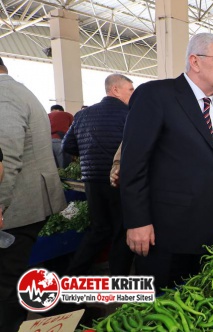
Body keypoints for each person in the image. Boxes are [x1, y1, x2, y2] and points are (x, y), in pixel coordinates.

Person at [119, 33, 213, 291]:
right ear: (195, 61)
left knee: (196, 303)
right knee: (161, 306)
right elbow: (134, 163)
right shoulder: (156, 95)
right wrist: (137, 222)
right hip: (167, 232)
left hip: (212, 230)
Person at [0, 56, 67, 331]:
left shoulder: (4, 96)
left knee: (6, 284)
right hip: (25, 205)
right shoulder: (17, 90)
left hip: (15, 209)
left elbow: (7, 160)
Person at [62, 74, 135, 276]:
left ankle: (72, 275)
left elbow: (67, 145)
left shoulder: (83, 115)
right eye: (130, 89)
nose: (133, 94)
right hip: (119, 180)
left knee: (99, 230)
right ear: (115, 90)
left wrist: (88, 155)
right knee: (122, 230)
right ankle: (118, 280)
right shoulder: (131, 114)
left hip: (91, 181)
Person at [48, 104, 74, 168]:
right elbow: (74, 129)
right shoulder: (68, 115)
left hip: (48, 142)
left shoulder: (47, 115)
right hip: (61, 141)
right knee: (64, 166)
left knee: (54, 166)